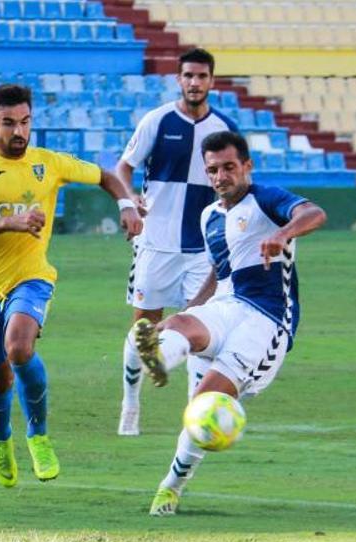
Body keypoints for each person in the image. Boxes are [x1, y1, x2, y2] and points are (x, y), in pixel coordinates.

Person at [0, 84, 143, 488]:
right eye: (8, 124)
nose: (18, 132)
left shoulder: (49, 163)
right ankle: (1, 440)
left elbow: (106, 176)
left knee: (19, 348)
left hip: (31, 278)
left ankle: (38, 435)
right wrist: (11, 222)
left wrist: (126, 204)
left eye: (25, 122)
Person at [130, 131, 326, 516]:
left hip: (267, 322)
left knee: (202, 407)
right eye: (213, 170)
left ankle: (170, 487)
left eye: (229, 167)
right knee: (182, 324)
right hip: (226, 304)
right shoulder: (210, 216)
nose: (221, 176)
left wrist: (281, 234)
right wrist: (190, 307)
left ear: (247, 167)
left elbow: (314, 214)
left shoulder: (266, 199)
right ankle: (162, 358)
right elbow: (219, 270)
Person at [116, 48, 240, 437]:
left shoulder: (225, 129)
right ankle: (130, 402)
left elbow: (236, 184)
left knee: (198, 330)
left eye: (202, 76)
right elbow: (122, 167)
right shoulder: (158, 121)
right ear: (178, 80)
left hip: (204, 251)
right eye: (188, 75)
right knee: (145, 332)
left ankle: (193, 416)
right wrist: (129, 200)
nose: (194, 82)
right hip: (156, 245)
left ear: (212, 81)